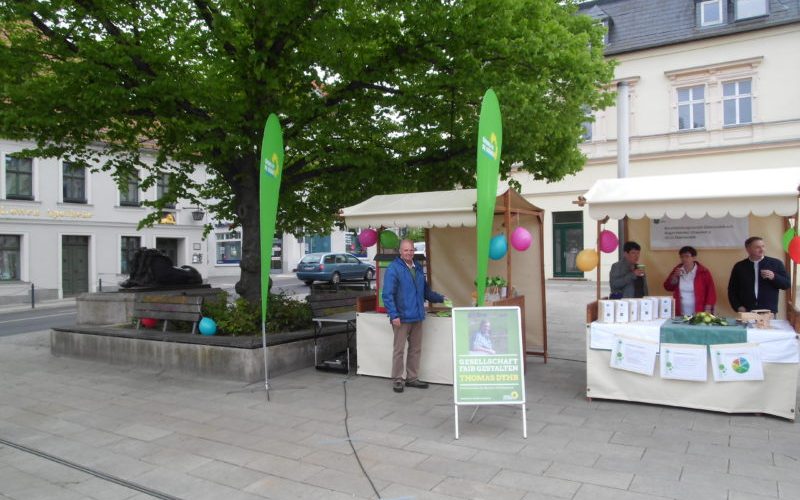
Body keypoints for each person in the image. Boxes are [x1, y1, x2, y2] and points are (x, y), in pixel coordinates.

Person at [382, 239, 446, 393]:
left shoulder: (417, 267)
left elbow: (426, 292)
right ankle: (397, 379)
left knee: (415, 349)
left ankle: (412, 378)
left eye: (411, 250)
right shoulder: (393, 269)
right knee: (399, 350)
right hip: (401, 317)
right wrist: (394, 314)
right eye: (406, 250)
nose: (409, 253)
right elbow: (387, 295)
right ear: (400, 251)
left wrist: (441, 298)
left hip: (417, 315)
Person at [727, 236, 790, 314]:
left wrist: (774, 277)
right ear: (748, 249)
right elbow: (732, 290)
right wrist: (738, 306)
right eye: (757, 247)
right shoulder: (739, 266)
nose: (762, 249)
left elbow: (787, 284)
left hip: (768, 311)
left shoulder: (776, 263)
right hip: (746, 311)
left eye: (763, 246)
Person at [662, 246, 716, 316]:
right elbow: (667, 287)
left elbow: (711, 291)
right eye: (682, 257)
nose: (684, 259)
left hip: (699, 311)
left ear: (694, 258)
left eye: (687, 256)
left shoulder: (703, 272)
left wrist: (708, 308)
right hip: (679, 311)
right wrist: (675, 276)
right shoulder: (677, 270)